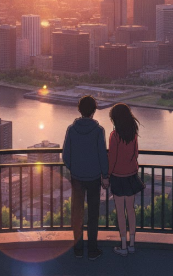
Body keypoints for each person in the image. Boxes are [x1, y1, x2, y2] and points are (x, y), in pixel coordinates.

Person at [63, 95, 109, 261]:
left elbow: (65, 155)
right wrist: (105, 175)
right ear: (94, 111)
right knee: (93, 213)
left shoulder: (71, 129)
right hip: (94, 177)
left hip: (77, 178)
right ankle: (92, 249)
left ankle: (78, 249)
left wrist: (74, 168)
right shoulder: (99, 131)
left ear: (79, 110)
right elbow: (102, 155)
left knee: (77, 213)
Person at [107, 103, 144, 257]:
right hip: (131, 175)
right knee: (131, 210)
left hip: (118, 177)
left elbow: (112, 159)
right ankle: (132, 244)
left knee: (120, 212)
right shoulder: (133, 134)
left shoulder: (114, 136)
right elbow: (136, 154)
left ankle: (123, 246)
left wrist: (107, 176)